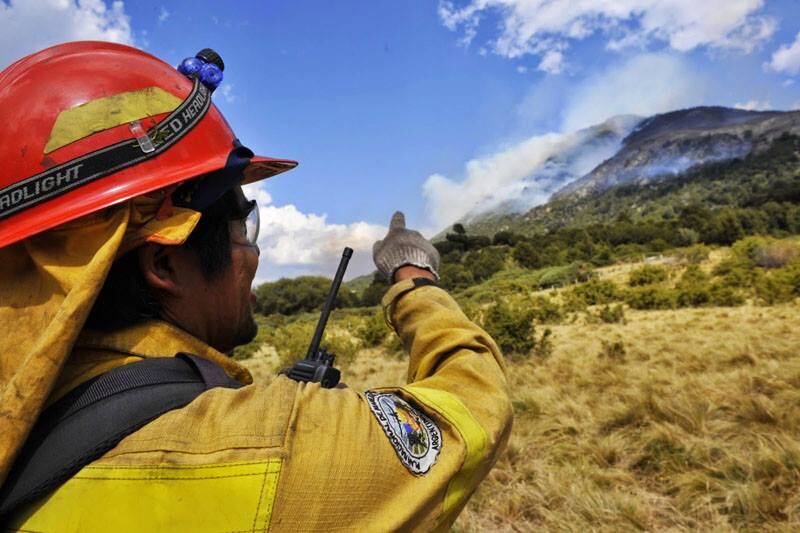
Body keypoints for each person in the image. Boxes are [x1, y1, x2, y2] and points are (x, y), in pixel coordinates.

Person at [0, 42, 512, 531]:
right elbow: (474, 409)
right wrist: (413, 279)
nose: (254, 255)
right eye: (242, 230)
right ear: (165, 263)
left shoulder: (22, 414)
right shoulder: (273, 445)